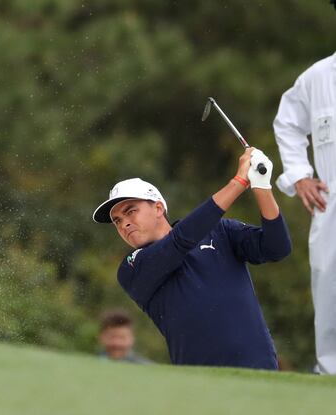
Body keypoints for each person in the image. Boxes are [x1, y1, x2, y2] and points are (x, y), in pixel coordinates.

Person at [92, 147, 291, 369]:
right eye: (117, 220)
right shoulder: (131, 268)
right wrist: (238, 183)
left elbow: (277, 247)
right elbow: (180, 241)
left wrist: (262, 187)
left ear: (158, 208)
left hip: (259, 367)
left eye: (130, 211)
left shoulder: (220, 231)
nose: (124, 223)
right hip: (198, 382)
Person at [274, 43, 336, 373]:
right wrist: (299, 175)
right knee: (329, 286)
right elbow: (288, 123)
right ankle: (331, 372)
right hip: (331, 202)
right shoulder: (317, 77)